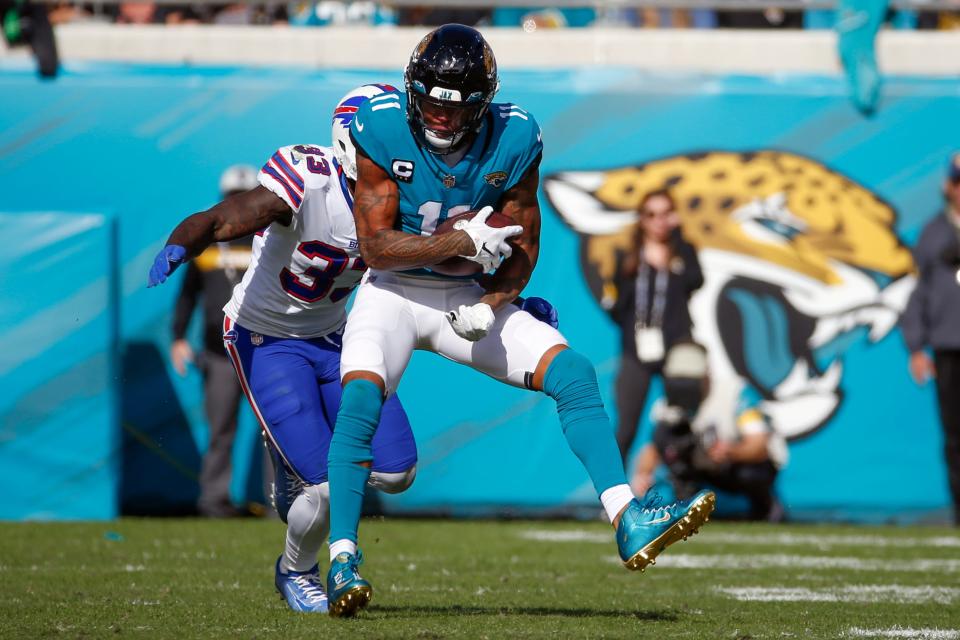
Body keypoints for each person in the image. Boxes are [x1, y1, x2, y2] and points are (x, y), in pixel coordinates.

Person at [322, 24, 716, 618]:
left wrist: (491, 302)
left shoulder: (516, 135)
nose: (438, 117)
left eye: (454, 108)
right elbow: (376, 249)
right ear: (411, 91)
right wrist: (458, 240)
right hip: (393, 293)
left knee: (574, 372)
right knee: (361, 401)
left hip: (466, 295)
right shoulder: (378, 123)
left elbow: (526, 247)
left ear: (481, 104)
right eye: (428, 101)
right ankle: (343, 557)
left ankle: (625, 515)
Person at [148, 84, 560, 613]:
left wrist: (509, 304)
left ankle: (296, 464)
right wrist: (187, 239)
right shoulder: (310, 178)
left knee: (396, 472)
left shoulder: (408, 199)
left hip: (336, 336)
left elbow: (440, 274)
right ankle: (295, 569)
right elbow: (227, 216)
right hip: (267, 338)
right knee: (322, 489)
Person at [170, 164, 258, 518]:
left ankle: (285, 501)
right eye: (230, 199)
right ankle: (213, 500)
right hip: (218, 351)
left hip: (262, 351)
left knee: (278, 432)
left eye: (244, 198)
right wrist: (177, 336)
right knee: (220, 429)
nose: (236, 205)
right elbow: (188, 294)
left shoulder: (271, 239)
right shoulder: (206, 243)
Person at [631, 342, 787, 523]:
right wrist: (643, 473)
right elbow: (654, 447)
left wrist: (731, 451)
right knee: (668, 435)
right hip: (700, 465)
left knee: (749, 474)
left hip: (739, 464)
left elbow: (759, 445)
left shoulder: (735, 394)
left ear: (706, 376)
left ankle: (763, 506)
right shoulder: (668, 404)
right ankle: (689, 500)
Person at [604, 189, 703, 466]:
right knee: (626, 426)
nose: (659, 221)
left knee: (682, 423)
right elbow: (615, 305)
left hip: (676, 348)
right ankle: (615, 498)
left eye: (665, 214)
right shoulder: (628, 257)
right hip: (637, 349)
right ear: (642, 219)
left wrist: (678, 241)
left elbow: (696, 280)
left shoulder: (683, 252)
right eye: (652, 214)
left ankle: (688, 492)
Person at [900, 152, 960, 526]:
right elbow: (918, 293)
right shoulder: (934, 232)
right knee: (956, 436)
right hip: (949, 345)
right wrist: (916, 346)